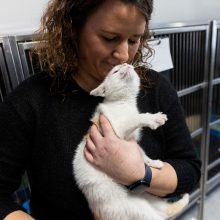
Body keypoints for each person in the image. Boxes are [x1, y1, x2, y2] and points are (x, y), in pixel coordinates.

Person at [0, 0, 201, 219]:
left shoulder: (156, 88)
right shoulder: (30, 101)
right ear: (73, 29)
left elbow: (189, 170)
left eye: (134, 39)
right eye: (109, 38)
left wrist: (139, 175)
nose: (124, 55)